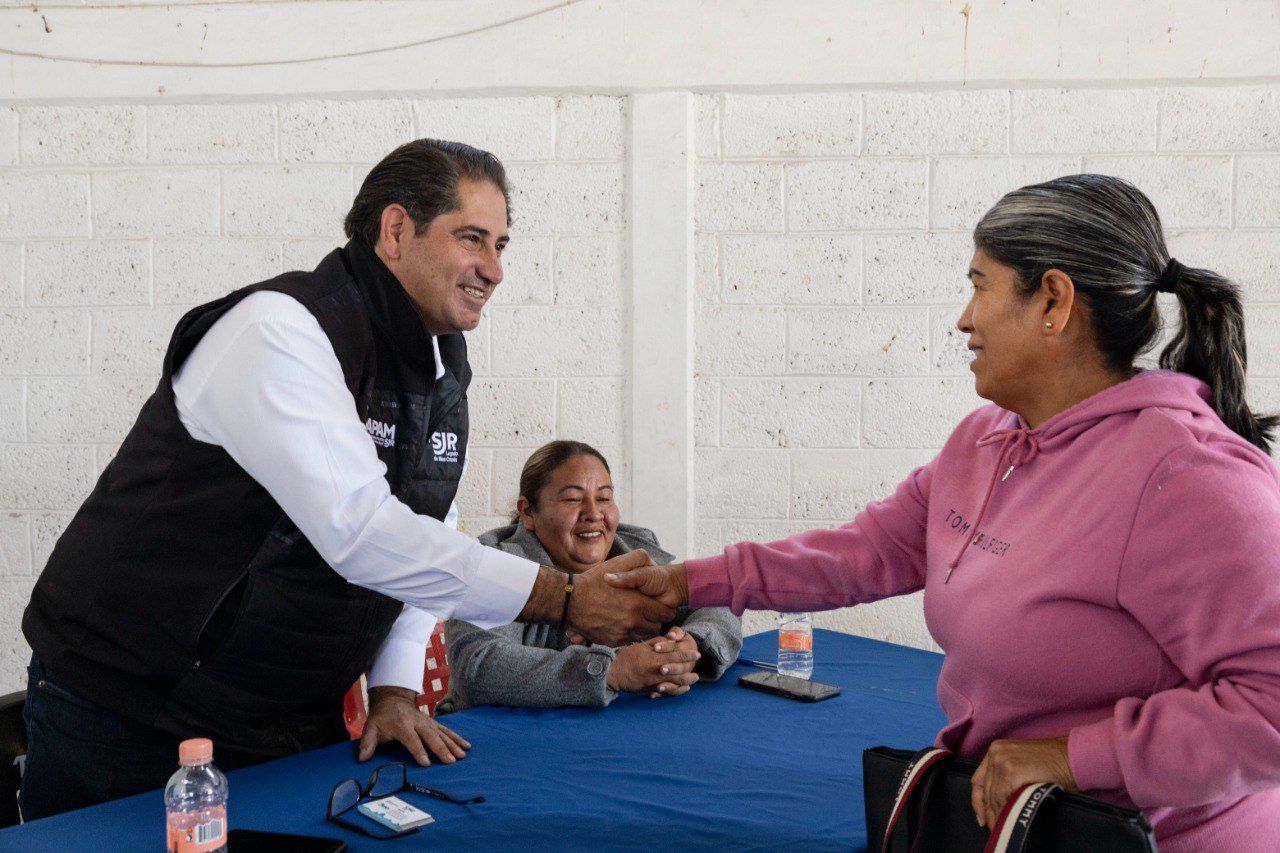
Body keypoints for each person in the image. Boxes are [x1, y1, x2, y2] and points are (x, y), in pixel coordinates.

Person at [606, 174, 1280, 851]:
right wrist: (690, 582)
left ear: (1053, 300)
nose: (965, 317)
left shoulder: (1189, 478)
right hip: (1009, 824)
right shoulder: (987, 440)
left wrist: (1074, 756)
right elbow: (871, 549)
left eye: (981, 284)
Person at [18, 139, 671, 820]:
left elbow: (425, 534)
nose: (495, 269)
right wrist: (561, 597)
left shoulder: (440, 366)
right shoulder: (279, 330)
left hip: (284, 722)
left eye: (501, 244)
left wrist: (392, 687)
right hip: (129, 716)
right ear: (395, 230)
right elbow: (362, 531)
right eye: (472, 239)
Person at [437, 441, 742, 713]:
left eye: (605, 498)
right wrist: (611, 671)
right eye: (572, 499)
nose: (593, 513)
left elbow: (719, 602)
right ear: (528, 512)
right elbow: (480, 668)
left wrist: (690, 646)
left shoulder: (635, 551)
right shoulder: (491, 565)